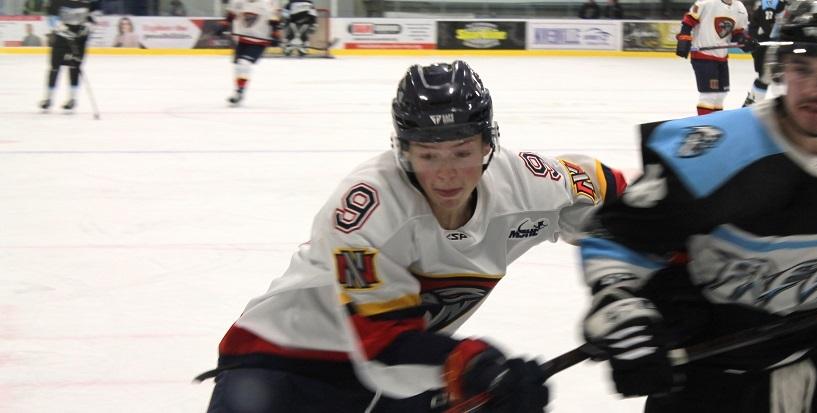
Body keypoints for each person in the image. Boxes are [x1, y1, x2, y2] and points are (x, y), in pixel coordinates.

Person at [580, 0, 817, 411]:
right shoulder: (712, 155)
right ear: (781, 68)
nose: (813, 89)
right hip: (718, 367)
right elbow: (617, 237)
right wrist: (620, 307)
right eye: (802, 68)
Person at [200, 60, 628, 412]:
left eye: (462, 151)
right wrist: (475, 367)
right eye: (428, 154)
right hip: (284, 364)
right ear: (403, 151)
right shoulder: (367, 209)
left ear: (487, 145)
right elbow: (382, 341)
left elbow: (617, 194)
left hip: (396, 369)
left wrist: (641, 283)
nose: (446, 173)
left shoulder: (525, 182)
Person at [675, 0, 755, 115]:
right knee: (709, 95)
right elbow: (688, 21)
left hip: (722, 57)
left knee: (721, 95)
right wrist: (684, 38)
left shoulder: (740, 8)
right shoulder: (706, 2)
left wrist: (745, 41)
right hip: (703, 57)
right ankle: (705, 126)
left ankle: (715, 124)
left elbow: (737, 32)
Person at [40, 0, 100, 112]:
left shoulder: (90, 3)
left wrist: (86, 28)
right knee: (54, 67)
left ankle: (72, 99)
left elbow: (94, 19)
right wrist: (63, 30)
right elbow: (52, 18)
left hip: (80, 40)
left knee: (75, 67)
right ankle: (48, 98)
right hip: (61, 40)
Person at [220, 0, 282, 106]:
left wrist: (275, 34)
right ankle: (239, 90)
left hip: (259, 41)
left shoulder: (268, 3)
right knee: (238, 67)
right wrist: (225, 25)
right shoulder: (238, 1)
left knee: (244, 63)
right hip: (242, 39)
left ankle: (240, 91)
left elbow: (274, 19)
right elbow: (232, 13)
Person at [743, 0, 788, 106]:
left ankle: (751, 104)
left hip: (767, 48)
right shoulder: (771, 4)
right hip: (769, 49)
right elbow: (769, 29)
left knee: (767, 79)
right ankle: (753, 105)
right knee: (771, 79)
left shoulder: (772, 4)